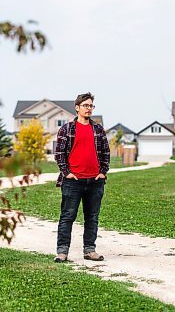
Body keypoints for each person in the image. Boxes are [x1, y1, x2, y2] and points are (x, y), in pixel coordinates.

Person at [53, 92, 110, 263]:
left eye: (91, 106)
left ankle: (89, 250)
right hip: (73, 181)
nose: (89, 109)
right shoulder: (67, 129)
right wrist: (67, 173)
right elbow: (59, 153)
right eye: (85, 105)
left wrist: (103, 172)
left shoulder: (98, 129)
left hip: (95, 181)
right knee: (67, 216)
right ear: (77, 108)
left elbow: (106, 152)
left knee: (92, 217)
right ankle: (62, 252)